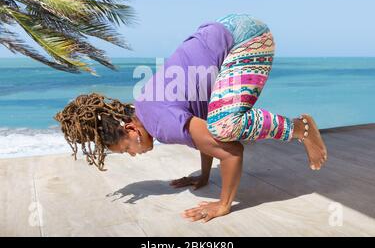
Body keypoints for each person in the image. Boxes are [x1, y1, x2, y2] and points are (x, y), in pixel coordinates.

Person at [55, 13, 328, 223]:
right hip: (228, 28)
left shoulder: (161, 124)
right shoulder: (144, 104)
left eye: (127, 148)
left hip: (247, 41)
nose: (133, 154)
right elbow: (202, 127)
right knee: (216, 121)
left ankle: (299, 128)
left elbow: (231, 152)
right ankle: (296, 128)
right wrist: (205, 175)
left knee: (225, 125)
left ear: (130, 130)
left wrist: (223, 205)